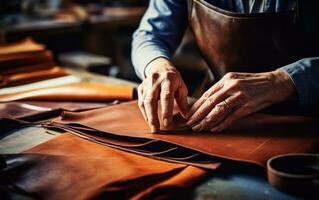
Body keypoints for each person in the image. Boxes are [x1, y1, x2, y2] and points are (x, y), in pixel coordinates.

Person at [131, 0, 319, 133]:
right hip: (218, 122)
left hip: (305, 126)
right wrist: (157, 64)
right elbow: (150, 34)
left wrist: (283, 81)